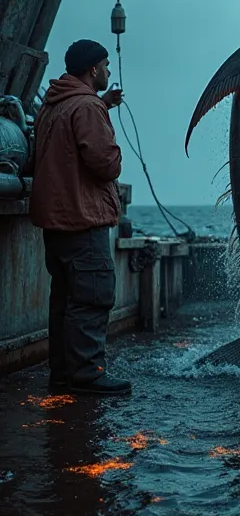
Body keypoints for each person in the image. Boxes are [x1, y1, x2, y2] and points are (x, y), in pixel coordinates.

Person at [29, 40, 131, 396]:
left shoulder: (54, 104)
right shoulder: (87, 107)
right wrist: (107, 128)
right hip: (82, 220)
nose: (107, 71)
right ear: (92, 69)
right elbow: (105, 163)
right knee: (91, 298)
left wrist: (102, 106)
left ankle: (64, 377)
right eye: (104, 65)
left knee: (64, 304)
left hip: (56, 225)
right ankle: (88, 376)